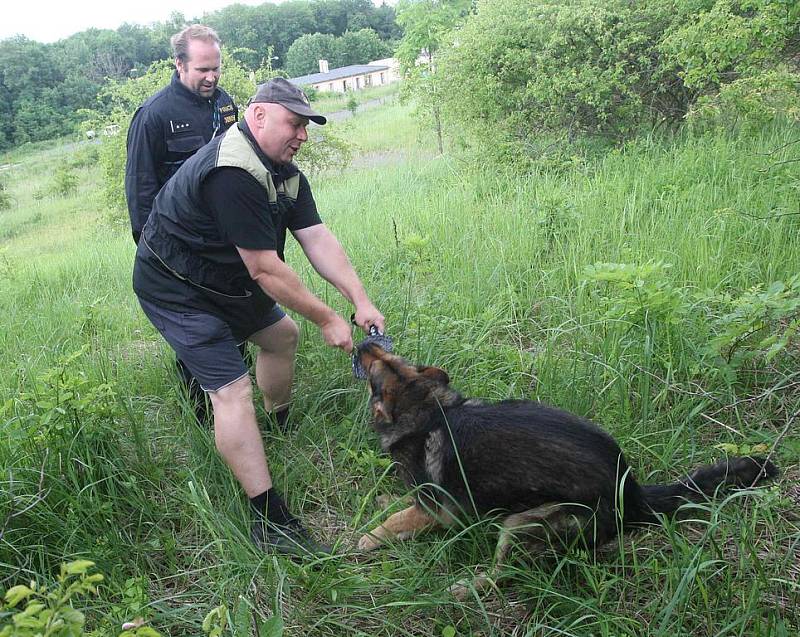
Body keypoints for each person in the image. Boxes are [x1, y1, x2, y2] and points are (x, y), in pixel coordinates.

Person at [132, 77, 384, 554]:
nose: (303, 136)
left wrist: (360, 299)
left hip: (224, 278)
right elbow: (266, 269)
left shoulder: (283, 170)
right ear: (259, 114)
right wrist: (328, 318)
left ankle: (279, 424)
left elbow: (316, 238)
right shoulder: (233, 170)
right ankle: (269, 519)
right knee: (231, 391)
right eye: (295, 123)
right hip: (176, 285)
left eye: (307, 126)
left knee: (281, 337)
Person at [125, 25, 239, 420]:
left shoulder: (225, 105)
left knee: (233, 325)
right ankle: (202, 417)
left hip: (223, 244)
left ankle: (235, 402)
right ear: (179, 64)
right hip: (176, 250)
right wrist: (155, 255)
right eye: (203, 69)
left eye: (217, 69)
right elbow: (140, 193)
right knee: (197, 334)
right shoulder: (153, 116)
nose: (211, 77)